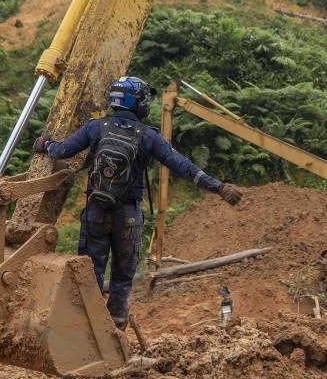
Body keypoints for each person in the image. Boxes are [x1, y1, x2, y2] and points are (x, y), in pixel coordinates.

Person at [32, 76, 243, 330]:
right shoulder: (148, 137)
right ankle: (116, 328)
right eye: (145, 99)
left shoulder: (96, 127)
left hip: (96, 211)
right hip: (128, 217)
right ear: (137, 103)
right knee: (122, 277)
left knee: (90, 271)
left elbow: (62, 151)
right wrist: (219, 187)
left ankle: (86, 328)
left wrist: (46, 144)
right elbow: (183, 166)